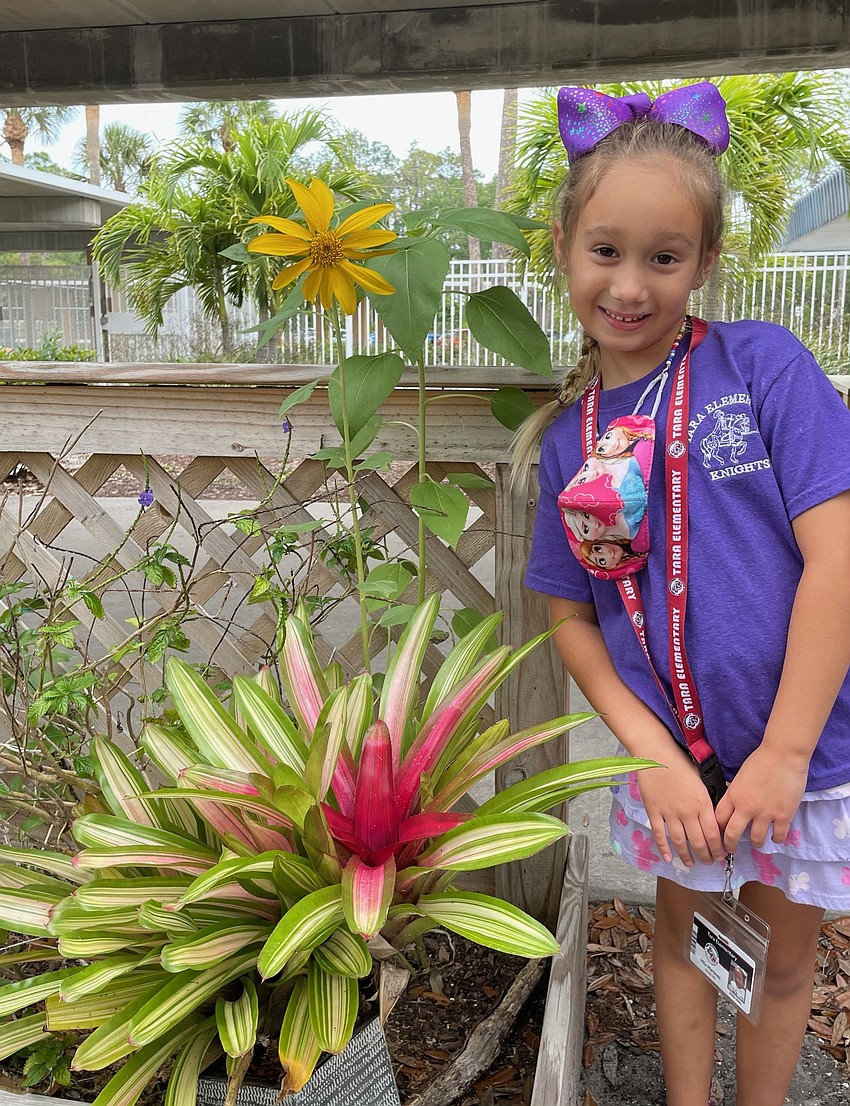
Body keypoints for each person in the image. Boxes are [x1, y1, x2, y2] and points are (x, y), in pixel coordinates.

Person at [516, 82, 850, 1106]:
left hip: (801, 760)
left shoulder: (761, 368)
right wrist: (652, 755)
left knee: (781, 957)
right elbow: (570, 615)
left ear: (703, 263)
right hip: (675, 770)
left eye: (664, 257)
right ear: (565, 248)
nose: (629, 284)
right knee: (683, 936)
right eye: (604, 250)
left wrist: (786, 751)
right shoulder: (569, 438)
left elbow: (837, 557)